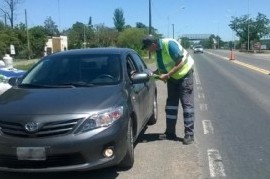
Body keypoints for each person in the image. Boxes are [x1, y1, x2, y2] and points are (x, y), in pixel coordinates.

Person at [142, 35, 195, 145]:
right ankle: (170, 133)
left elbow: (181, 62)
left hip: (185, 75)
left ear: (153, 45)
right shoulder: (157, 52)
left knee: (187, 106)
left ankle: (189, 135)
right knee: (171, 105)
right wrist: (150, 74)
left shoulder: (169, 44)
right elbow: (162, 69)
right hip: (172, 78)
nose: (148, 50)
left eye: (147, 48)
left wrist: (168, 75)